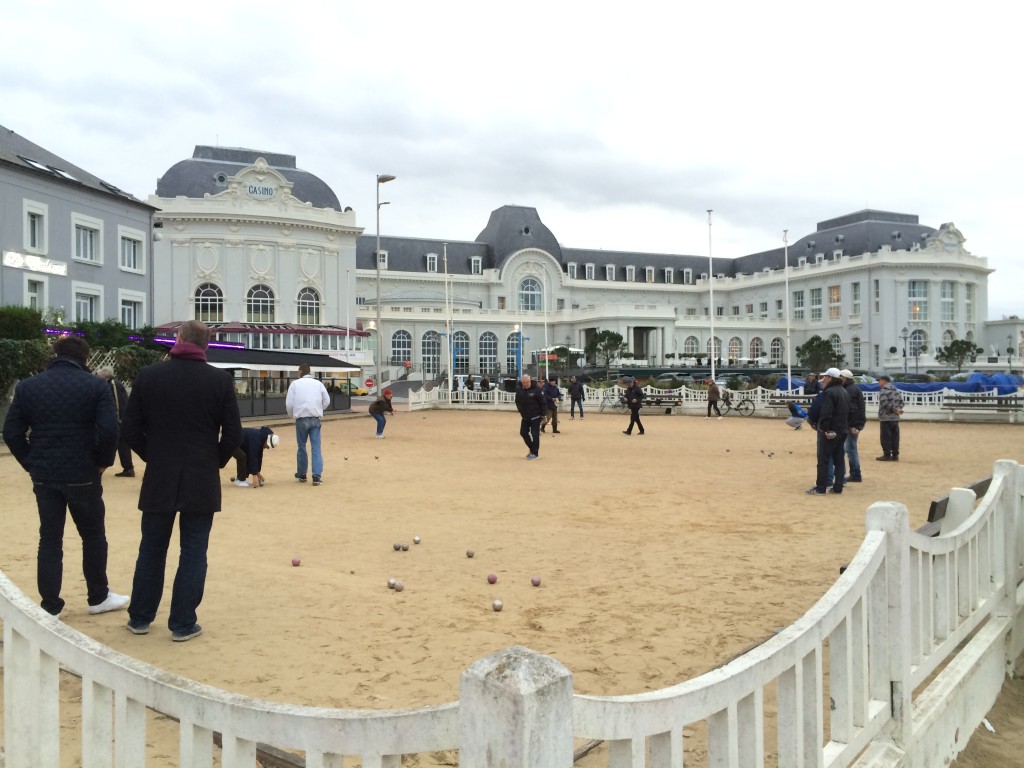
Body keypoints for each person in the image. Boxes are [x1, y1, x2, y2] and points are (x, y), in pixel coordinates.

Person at [122, 320, 242, 641]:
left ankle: (140, 617)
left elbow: (131, 429)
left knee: (151, 548)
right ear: (206, 346)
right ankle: (183, 622)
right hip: (201, 476)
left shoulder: (149, 376)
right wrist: (214, 461)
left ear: (178, 339)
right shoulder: (219, 381)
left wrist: (154, 456)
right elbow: (233, 433)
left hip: (160, 474)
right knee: (193, 551)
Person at [2, 335, 129, 618]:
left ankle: (50, 606)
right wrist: (102, 462)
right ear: (85, 359)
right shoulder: (96, 386)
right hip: (83, 470)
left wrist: (30, 462)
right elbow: (110, 430)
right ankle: (98, 596)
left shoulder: (28, 387)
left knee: (49, 538)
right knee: (93, 535)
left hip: (45, 473)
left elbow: (11, 432)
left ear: (55, 354)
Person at [806, 368, 850, 496]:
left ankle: (821, 488)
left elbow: (826, 412)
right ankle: (838, 487)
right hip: (842, 430)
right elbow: (849, 411)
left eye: (825, 376)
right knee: (839, 459)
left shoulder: (829, 392)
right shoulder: (844, 391)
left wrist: (824, 428)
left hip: (831, 431)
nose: (823, 379)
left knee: (823, 460)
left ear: (831, 378)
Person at [285, 363, 331, 485]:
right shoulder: (318, 384)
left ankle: (302, 474)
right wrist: (319, 408)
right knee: (316, 448)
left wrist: (291, 415)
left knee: (302, 447)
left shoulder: (295, 384)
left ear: (300, 372)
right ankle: (316, 476)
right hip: (315, 417)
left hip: (301, 418)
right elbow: (327, 400)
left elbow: (289, 404)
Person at [96, 366, 135, 477]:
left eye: (100, 374)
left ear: (105, 375)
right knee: (122, 444)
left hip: (117, 419)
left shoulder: (113, 384)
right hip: (119, 419)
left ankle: (103, 467)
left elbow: (120, 402)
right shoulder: (111, 384)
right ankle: (128, 468)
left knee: (116, 443)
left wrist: (119, 418)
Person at [840, 369, 866, 482]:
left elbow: (853, 410)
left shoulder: (849, 390)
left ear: (844, 378)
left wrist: (853, 425)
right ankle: (855, 473)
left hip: (851, 424)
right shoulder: (853, 388)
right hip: (854, 423)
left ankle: (855, 474)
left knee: (851, 450)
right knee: (851, 449)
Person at [514, 373, 544, 459]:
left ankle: (535, 454)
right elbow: (517, 401)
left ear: (530, 381)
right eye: (525, 382)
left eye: (528, 382)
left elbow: (543, 403)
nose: (527, 384)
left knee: (535, 434)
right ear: (522, 382)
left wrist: (543, 414)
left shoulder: (537, 390)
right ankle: (532, 449)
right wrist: (520, 410)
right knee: (523, 433)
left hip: (536, 416)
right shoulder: (519, 390)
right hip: (525, 417)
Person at [877, 374, 905, 461]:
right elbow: (901, 402)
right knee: (895, 437)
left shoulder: (884, 391)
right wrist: (898, 410)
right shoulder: (896, 390)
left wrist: (894, 410)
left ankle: (887, 454)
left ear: (883, 381)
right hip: (895, 418)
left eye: (879, 381)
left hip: (886, 417)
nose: (878, 383)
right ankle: (895, 455)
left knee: (885, 437)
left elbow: (884, 404)